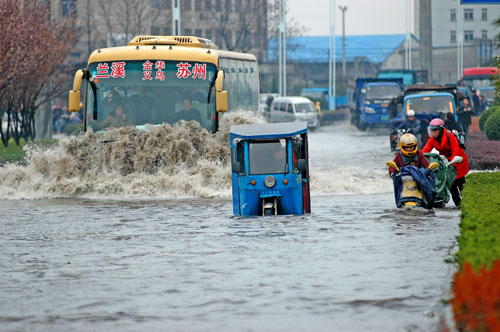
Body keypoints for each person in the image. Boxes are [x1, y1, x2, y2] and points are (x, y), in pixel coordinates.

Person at [421, 118, 469, 206]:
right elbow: (425, 151)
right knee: (450, 183)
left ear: (440, 129)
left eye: (435, 130)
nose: (433, 132)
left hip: (458, 159)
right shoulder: (432, 139)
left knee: (460, 181)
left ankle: (468, 202)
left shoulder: (449, 135)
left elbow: (455, 149)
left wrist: (453, 162)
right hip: (446, 160)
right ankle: (458, 203)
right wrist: (418, 159)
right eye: (431, 130)